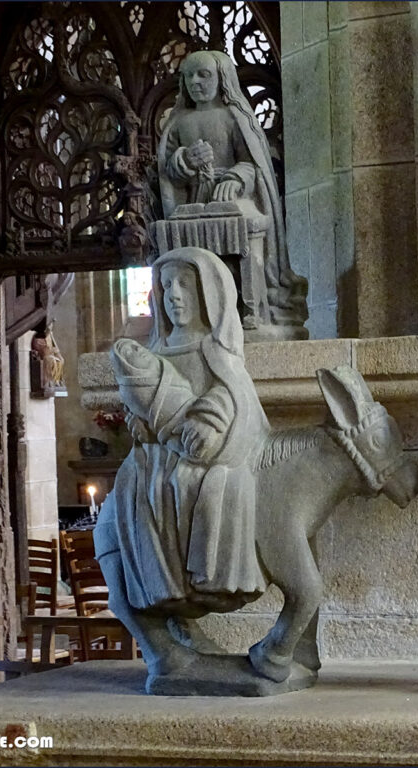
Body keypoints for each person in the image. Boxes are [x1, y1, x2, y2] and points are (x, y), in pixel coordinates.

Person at [94, 246, 268, 619]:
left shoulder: (215, 350)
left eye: (185, 285)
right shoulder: (156, 351)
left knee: (221, 485)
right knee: (133, 481)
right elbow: (146, 408)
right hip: (161, 456)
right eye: (166, 285)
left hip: (209, 452)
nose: (173, 294)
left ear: (208, 292)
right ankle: (160, 584)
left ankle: (213, 579)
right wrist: (140, 424)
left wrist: (211, 423)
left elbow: (234, 395)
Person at [156, 50, 306, 330]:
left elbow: (252, 163)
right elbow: (168, 173)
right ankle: (201, 308)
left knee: (239, 242)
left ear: (222, 78)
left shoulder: (233, 117)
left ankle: (248, 306)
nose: (195, 82)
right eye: (188, 76)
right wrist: (186, 161)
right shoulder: (178, 122)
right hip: (196, 199)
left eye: (204, 74)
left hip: (233, 198)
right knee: (191, 243)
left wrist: (235, 179)